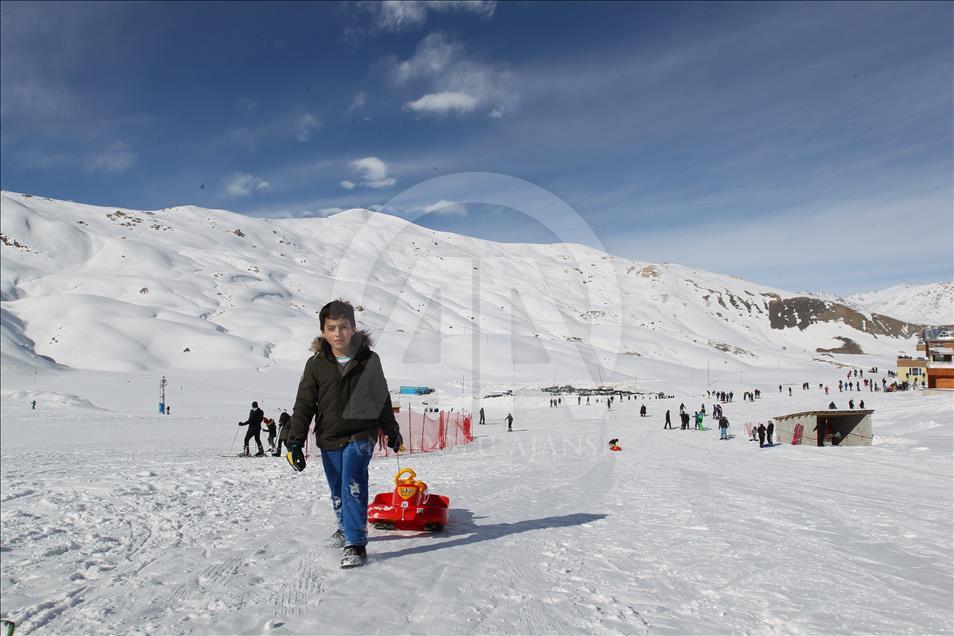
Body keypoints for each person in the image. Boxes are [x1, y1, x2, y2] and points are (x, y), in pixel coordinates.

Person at [285, 300, 402, 569]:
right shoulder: (315, 364)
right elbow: (304, 404)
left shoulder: (369, 360)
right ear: (323, 332)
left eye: (343, 327)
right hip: (330, 435)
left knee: (352, 483)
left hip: (362, 434)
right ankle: (344, 526)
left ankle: (356, 543)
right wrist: (294, 440)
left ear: (353, 328)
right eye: (331, 328)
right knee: (337, 488)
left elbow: (381, 397)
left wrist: (391, 430)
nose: (338, 333)